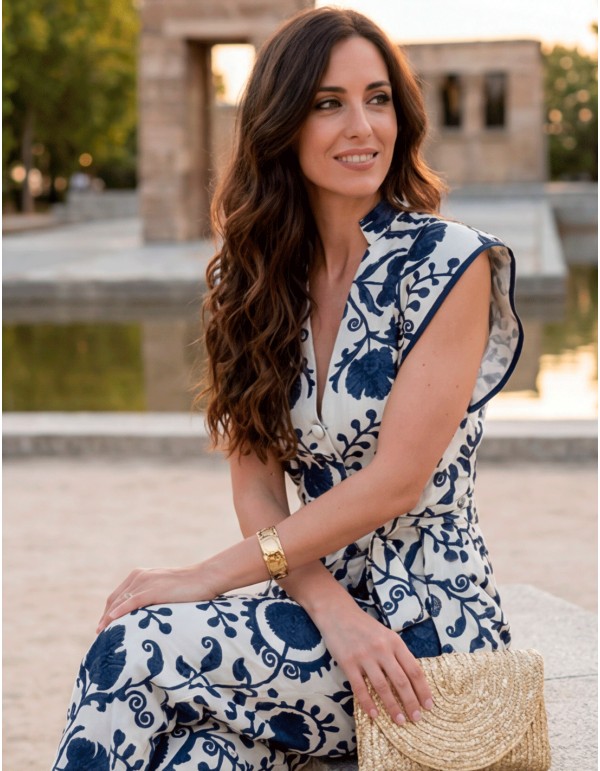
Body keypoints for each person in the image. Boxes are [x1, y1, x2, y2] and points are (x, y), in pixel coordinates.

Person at [52, 7, 523, 771]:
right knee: (197, 756)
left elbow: (396, 481)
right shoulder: (247, 284)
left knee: (135, 645)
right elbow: (257, 487)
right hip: (309, 610)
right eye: (328, 103)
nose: (362, 127)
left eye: (377, 99)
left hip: (428, 628)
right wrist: (329, 606)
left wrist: (206, 576)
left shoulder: (449, 262)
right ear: (282, 125)